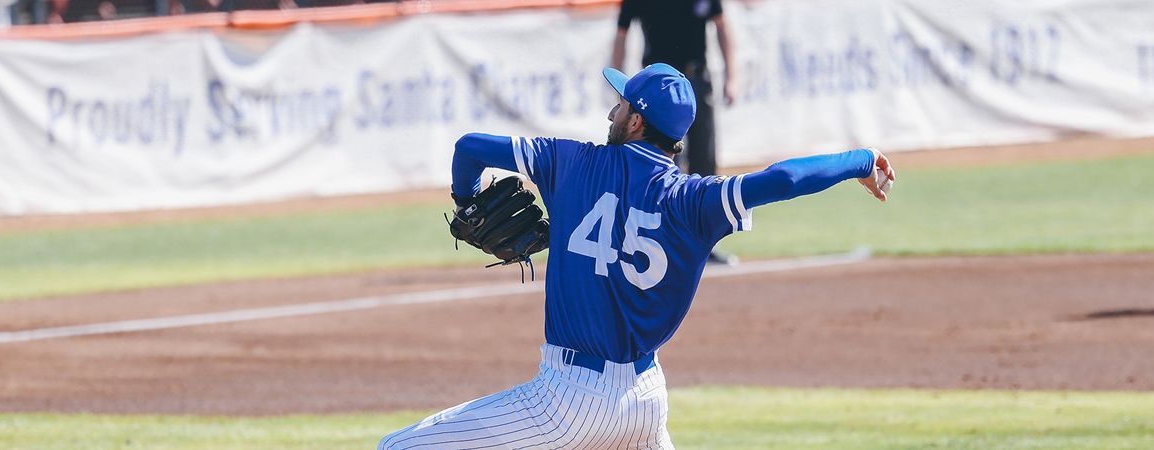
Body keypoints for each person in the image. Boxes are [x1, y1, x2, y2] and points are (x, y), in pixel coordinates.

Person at [377, 63, 894, 449]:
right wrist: (862, 159)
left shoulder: (569, 162)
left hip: (567, 402)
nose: (612, 111)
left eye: (621, 105)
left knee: (397, 448)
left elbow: (469, 146)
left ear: (636, 122)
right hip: (645, 401)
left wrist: (465, 200)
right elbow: (783, 179)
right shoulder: (695, 201)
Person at [612, 0, 737, 264]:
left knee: (705, 163)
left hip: (696, 79)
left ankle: (705, 244)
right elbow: (622, 33)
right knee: (661, 167)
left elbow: (721, 25)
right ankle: (662, 241)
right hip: (657, 94)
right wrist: (622, 92)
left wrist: (731, 77)